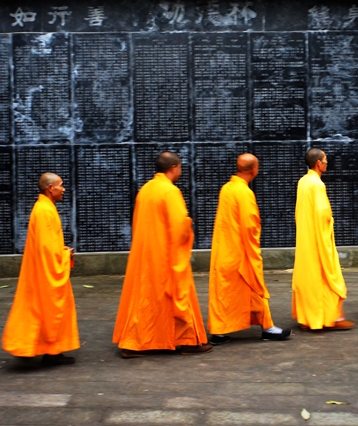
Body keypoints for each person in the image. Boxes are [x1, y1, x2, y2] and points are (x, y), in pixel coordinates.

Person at [113, 152, 212, 358]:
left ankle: (133, 343)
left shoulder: (145, 190)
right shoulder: (169, 191)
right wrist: (188, 224)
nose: (181, 171)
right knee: (176, 294)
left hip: (145, 254)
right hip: (165, 255)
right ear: (174, 167)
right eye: (180, 167)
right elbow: (178, 227)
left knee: (144, 298)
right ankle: (186, 340)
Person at [207, 154, 292, 344]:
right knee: (255, 288)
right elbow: (249, 226)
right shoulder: (244, 193)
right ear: (254, 170)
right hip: (240, 254)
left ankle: (220, 332)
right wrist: (254, 249)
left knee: (225, 294)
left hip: (224, 252)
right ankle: (268, 328)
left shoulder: (226, 188)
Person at [1, 173, 79, 365]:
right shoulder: (44, 210)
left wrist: (61, 250)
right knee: (44, 309)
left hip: (41, 268)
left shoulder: (45, 207)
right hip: (45, 271)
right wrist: (64, 255)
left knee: (38, 309)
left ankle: (47, 350)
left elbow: (48, 245)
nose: (64, 189)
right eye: (61, 185)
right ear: (50, 188)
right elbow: (46, 249)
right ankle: (38, 348)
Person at [292, 148, 354, 331]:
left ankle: (307, 318)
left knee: (308, 278)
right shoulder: (317, 185)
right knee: (329, 276)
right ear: (318, 163)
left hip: (306, 239)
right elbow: (322, 215)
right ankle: (331, 317)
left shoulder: (303, 182)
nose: (327, 163)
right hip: (318, 239)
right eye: (325, 160)